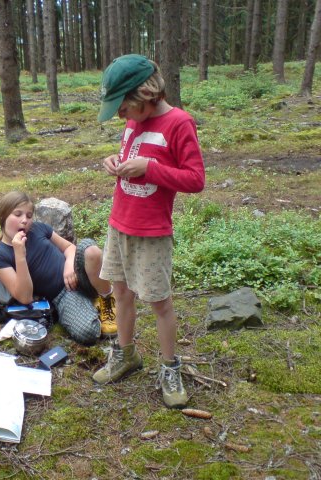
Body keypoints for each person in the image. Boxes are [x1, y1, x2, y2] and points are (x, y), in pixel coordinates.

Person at [92, 54, 206, 408]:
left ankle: (170, 367)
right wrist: (114, 161)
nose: (120, 116)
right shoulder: (133, 122)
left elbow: (195, 179)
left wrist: (150, 168)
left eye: (123, 107)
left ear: (144, 94)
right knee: (120, 292)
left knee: (159, 302)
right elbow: (133, 156)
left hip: (152, 231)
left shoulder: (179, 123)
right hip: (119, 223)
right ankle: (126, 355)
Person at [0, 191, 116, 345]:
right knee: (88, 333)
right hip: (63, 294)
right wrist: (19, 254)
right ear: (3, 216)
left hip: (78, 272)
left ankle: (107, 300)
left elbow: (69, 247)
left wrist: (69, 266)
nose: (24, 220)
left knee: (90, 250)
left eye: (29, 216)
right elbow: (25, 297)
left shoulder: (38, 229)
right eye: (18, 214)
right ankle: (91, 302)